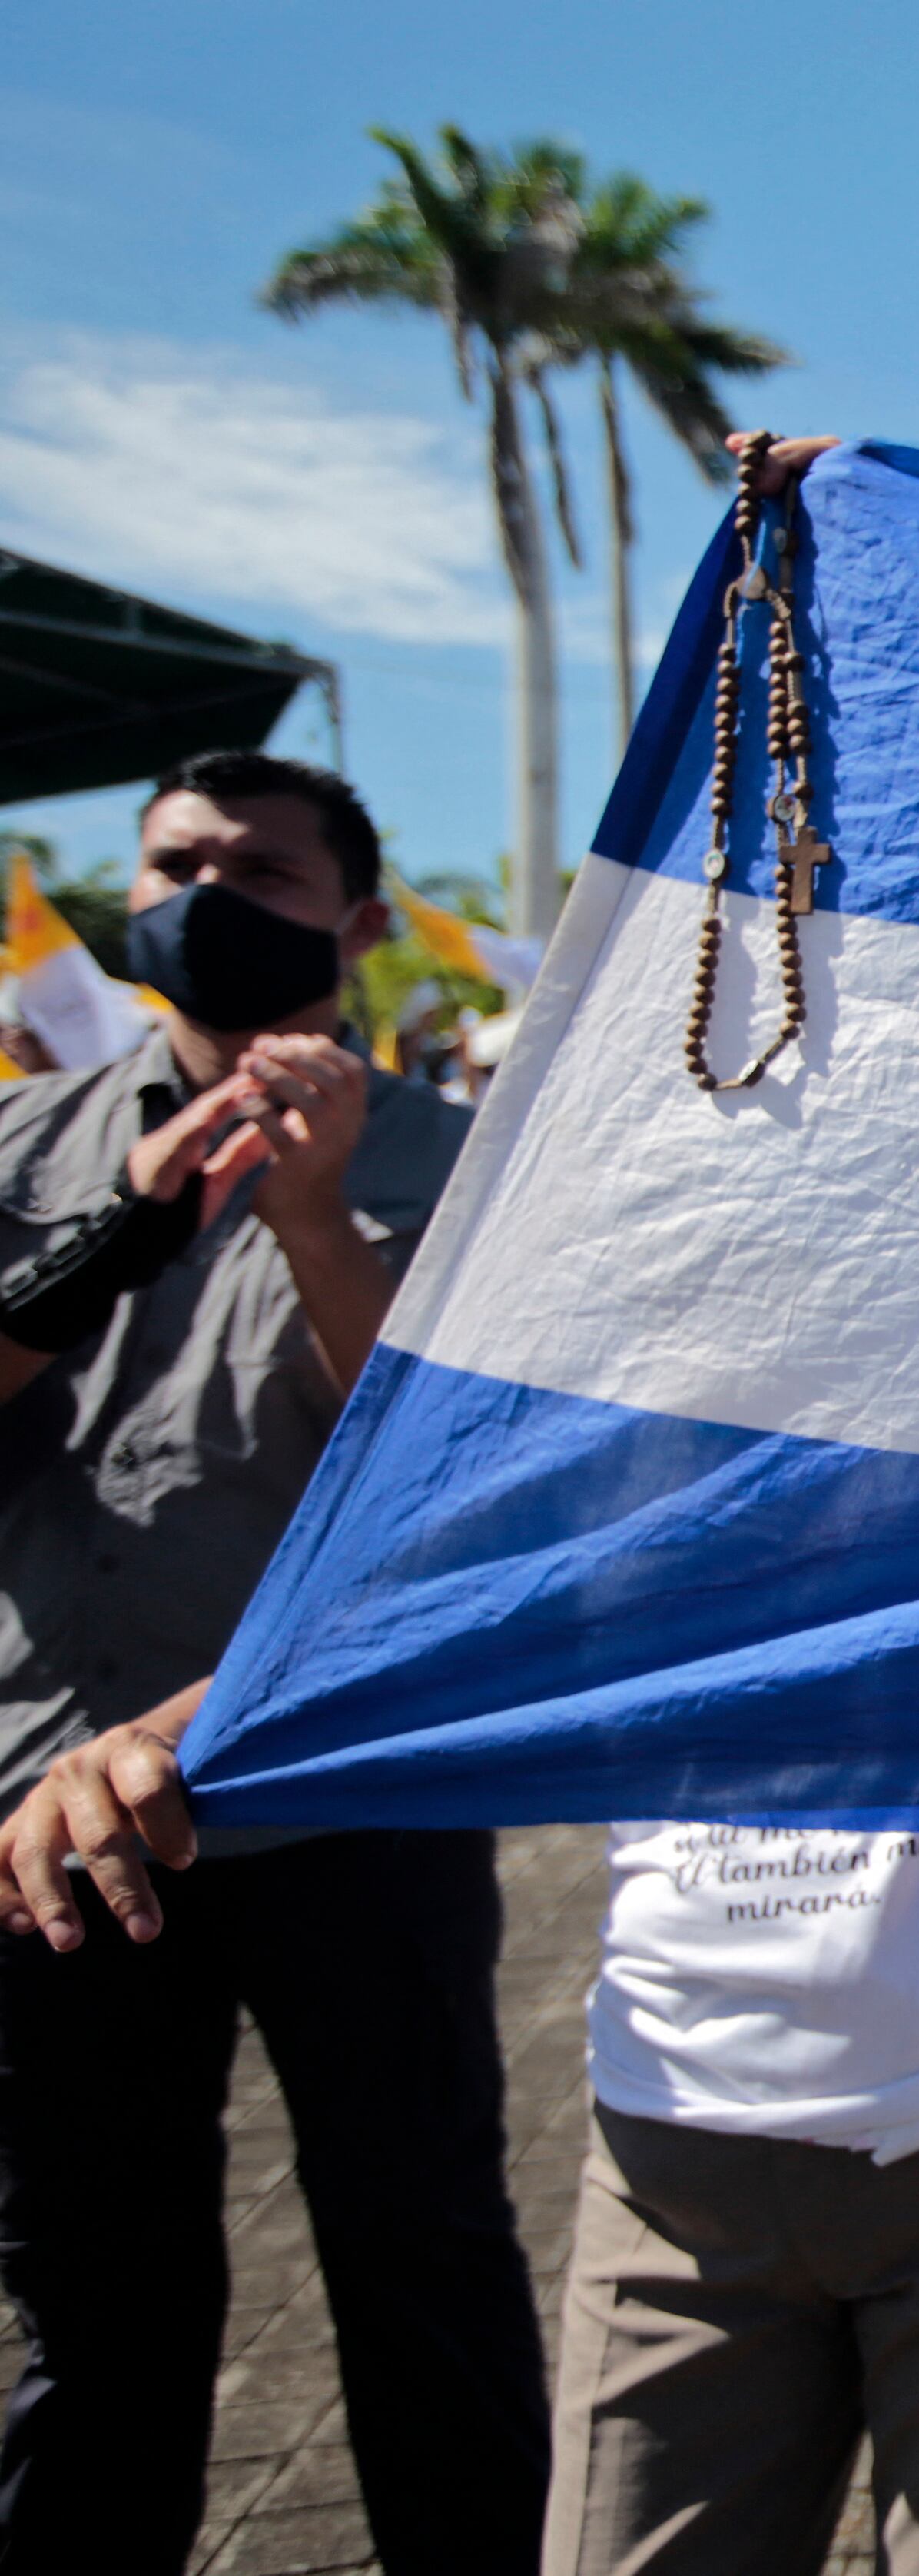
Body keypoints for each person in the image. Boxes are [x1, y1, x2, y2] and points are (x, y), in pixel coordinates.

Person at [9, 440, 919, 2576]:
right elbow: (499, 1554)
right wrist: (174, 1731)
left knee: (422, 2286)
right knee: (106, 2330)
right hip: (672, 2103)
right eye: (782, 853)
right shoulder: (604, 1189)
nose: (813, 906)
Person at [0, 750, 546, 2574]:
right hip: (54, 1823)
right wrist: (126, 1224)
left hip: (339, 1806)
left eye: (261, 867)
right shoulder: (36, 1143)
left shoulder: (458, 1161)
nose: (207, 892)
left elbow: (456, 1479)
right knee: (89, 2307)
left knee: (424, 2264)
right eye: (176, 861)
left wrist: (312, 1218)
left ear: (360, 922)